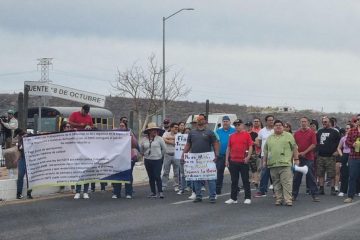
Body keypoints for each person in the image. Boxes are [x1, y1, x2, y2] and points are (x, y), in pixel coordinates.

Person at [182, 115, 219, 203]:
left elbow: (215, 143)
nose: (199, 121)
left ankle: (212, 196)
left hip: (208, 159)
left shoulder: (210, 132)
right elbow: (188, 144)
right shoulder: (192, 133)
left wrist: (216, 154)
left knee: (211, 178)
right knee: (196, 178)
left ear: (205, 121)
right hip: (195, 158)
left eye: (201, 119)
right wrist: (183, 154)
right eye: (198, 119)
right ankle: (198, 196)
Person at [263, 120, 299, 206]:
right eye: (276, 125)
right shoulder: (270, 137)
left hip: (285, 164)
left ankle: (288, 200)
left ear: (283, 127)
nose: (278, 127)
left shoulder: (289, 136)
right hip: (273, 164)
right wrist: (264, 161)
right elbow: (266, 151)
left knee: (287, 182)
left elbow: (294, 148)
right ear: (274, 127)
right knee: (276, 183)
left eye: (280, 125)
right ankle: (279, 199)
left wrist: (296, 159)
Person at [225, 119, 253, 204]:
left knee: (245, 180)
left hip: (243, 161)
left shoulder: (247, 135)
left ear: (242, 125)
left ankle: (247, 197)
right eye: (236, 125)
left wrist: (248, 157)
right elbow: (228, 148)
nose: (237, 126)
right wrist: (226, 160)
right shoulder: (231, 136)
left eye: (239, 124)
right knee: (234, 180)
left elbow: (250, 146)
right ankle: (233, 198)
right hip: (233, 160)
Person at [292, 117, 320, 202]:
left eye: (305, 121)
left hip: (309, 158)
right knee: (297, 177)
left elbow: (313, 145)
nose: (303, 123)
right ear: (299, 123)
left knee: (310, 176)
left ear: (307, 122)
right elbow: (294, 146)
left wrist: (304, 152)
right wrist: (297, 154)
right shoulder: (296, 133)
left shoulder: (312, 133)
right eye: (302, 121)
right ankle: (294, 195)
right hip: (299, 158)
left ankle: (314, 195)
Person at [69, 105, 93, 199]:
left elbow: (91, 126)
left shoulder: (89, 117)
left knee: (86, 170)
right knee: (78, 170)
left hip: (86, 146)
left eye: (87, 112)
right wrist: (81, 125)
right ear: (82, 109)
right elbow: (70, 123)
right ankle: (78, 191)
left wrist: (89, 127)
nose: (86, 114)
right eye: (85, 112)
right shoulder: (74, 114)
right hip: (76, 146)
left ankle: (86, 191)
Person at [112, 121, 139, 199]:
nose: (121, 127)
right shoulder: (116, 134)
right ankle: (116, 193)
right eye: (120, 126)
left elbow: (135, 145)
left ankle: (128, 193)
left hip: (129, 158)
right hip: (118, 158)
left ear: (126, 127)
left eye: (123, 126)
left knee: (128, 176)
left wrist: (130, 136)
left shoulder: (130, 133)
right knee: (117, 176)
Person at [141, 122, 166, 198]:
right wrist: (143, 154)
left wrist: (160, 156)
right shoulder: (144, 139)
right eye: (152, 130)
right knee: (151, 176)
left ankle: (160, 192)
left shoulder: (160, 139)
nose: (154, 131)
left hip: (157, 160)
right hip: (148, 160)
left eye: (155, 129)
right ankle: (153, 192)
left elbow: (164, 149)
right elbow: (141, 149)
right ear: (149, 131)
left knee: (157, 176)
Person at [316, 116, 341, 195]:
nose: (324, 123)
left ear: (330, 122)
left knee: (332, 174)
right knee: (320, 173)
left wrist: (337, 151)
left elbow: (340, 143)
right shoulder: (319, 131)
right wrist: (316, 152)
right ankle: (321, 188)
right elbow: (316, 142)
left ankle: (333, 189)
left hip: (330, 156)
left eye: (326, 122)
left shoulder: (335, 131)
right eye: (323, 122)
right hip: (320, 156)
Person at [254, 115, 274, 198]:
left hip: (274, 156)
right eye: (269, 120)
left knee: (274, 174)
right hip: (264, 156)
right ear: (266, 121)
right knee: (264, 173)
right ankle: (262, 191)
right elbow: (259, 143)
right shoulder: (262, 131)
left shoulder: (276, 130)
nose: (271, 122)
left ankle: (276, 192)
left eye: (272, 120)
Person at [215, 116, 236, 195]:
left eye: (227, 121)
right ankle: (218, 190)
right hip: (220, 156)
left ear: (230, 122)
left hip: (231, 156)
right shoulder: (218, 131)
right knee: (219, 173)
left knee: (233, 173)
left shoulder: (234, 131)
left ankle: (235, 189)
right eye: (224, 121)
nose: (225, 123)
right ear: (222, 122)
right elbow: (215, 142)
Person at [344, 114, 360, 203]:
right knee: (352, 177)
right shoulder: (352, 131)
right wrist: (352, 144)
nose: (359, 121)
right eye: (357, 119)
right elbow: (347, 142)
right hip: (354, 157)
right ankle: (350, 196)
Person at [162, 122, 180, 192]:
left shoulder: (179, 134)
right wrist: (173, 141)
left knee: (176, 172)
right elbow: (163, 139)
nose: (176, 129)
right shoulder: (166, 133)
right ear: (171, 128)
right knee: (166, 172)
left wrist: (169, 139)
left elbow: (178, 141)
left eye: (177, 128)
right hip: (167, 154)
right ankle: (163, 185)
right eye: (175, 127)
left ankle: (176, 185)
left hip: (176, 155)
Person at [15, 128, 33, 199]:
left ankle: (29, 193)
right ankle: (19, 193)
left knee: (30, 177)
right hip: (22, 159)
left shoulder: (29, 136)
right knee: (20, 176)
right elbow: (20, 151)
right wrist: (17, 159)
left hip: (30, 159)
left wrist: (27, 137)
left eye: (17, 136)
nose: (17, 137)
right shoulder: (20, 140)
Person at [337, 124, 352, 197]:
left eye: (348, 128)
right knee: (344, 174)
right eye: (346, 128)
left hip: (354, 156)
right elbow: (339, 148)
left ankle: (357, 190)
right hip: (345, 155)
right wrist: (342, 155)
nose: (347, 130)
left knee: (355, 174)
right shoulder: (343, 138)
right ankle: (343, 190)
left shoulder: (355, 137)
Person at [245, 121, 259, 187]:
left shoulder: (254, 134)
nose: (248, 127)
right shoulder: (244, 133)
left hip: (252, 151)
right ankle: (248, 181)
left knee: (254, 167)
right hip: (245, 151)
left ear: (251, 127)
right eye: (247, 126)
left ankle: (256, 181)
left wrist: (251, 142)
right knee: (246, 167)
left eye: (249, 126)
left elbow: (257, 143)